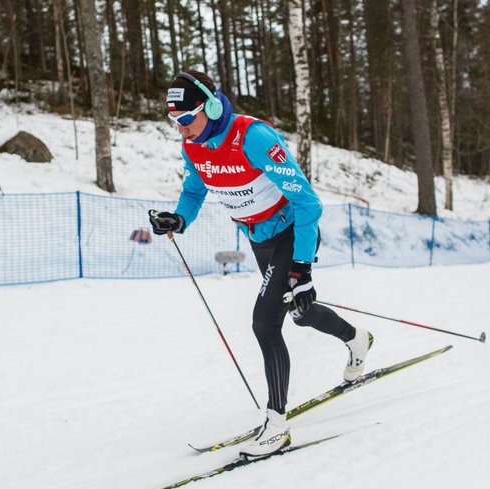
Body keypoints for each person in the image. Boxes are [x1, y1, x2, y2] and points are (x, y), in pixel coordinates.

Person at [149, 70, 373, 460]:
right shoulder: (194, 148)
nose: (182, 130)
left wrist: (301, 269)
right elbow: (194, 188)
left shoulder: (254, 138)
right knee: (300, 314)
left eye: (187, 119)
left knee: (264, 321)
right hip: (259, 240)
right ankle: (357, 339)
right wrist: (179, 219)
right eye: (175, 122)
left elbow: (308, 204)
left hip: (292, 233)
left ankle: (277, 425)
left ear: (212, 107)